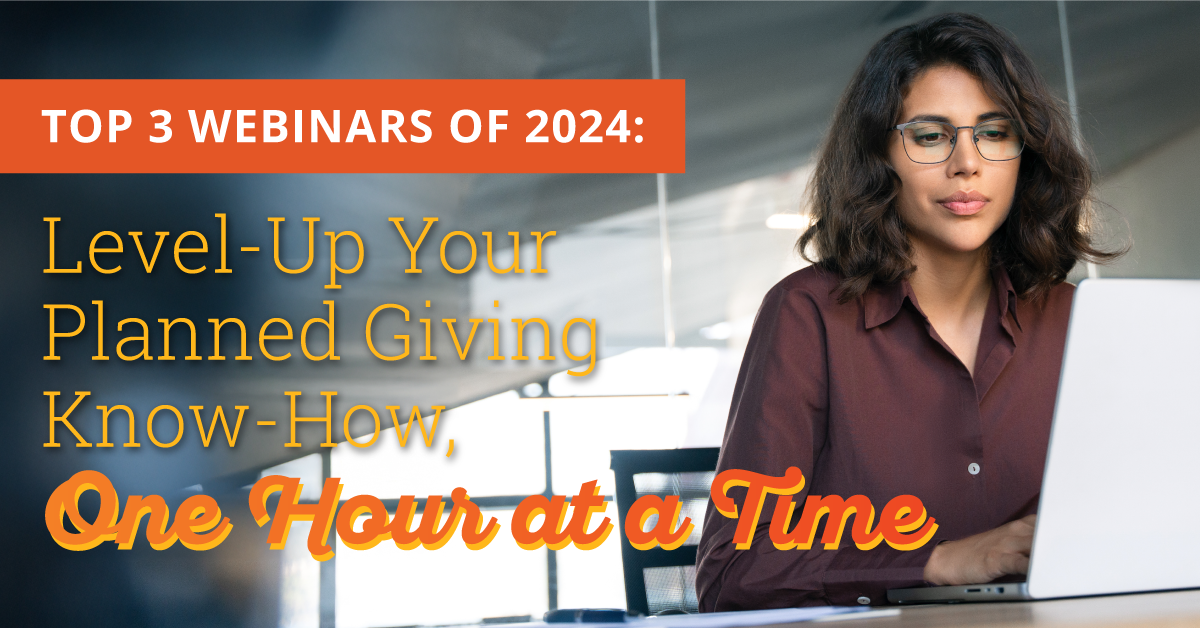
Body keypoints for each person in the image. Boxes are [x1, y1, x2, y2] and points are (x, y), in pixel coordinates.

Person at [696, 13, 1121, 610]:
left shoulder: (1079, 321)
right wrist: (938, 561)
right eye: (930, 136)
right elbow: (732, 571)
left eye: (995, 133)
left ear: (1025, 155)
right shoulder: (807, 314)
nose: (967, 163)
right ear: (880, 155)